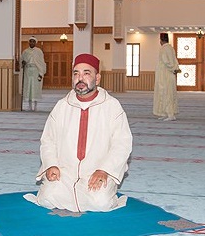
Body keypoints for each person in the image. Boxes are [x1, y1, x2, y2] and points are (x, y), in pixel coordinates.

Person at [24, 53, 133, 212]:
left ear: (97, 79)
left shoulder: (112, 106)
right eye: (76, 74)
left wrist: (105, 170)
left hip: (96, 171)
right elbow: (48, 140)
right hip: (65, 172)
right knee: (46, 199)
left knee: (100, 203)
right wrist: (51, 164)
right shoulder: (62, 106)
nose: (80, 78)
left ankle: (103, 190)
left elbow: (122, 144)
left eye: (86, 73)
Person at [153, 33, 179, 121]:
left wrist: (173, 68)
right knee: (168, 93)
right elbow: (174, 60)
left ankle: (170, 114)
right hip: (169, 75)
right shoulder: (171, 48)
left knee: (166, 93)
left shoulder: (164, 49)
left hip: (165, 75)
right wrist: (175, 69)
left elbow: (167, 62)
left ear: (161, 40)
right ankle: (166, 113)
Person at [20, 36, 46, 111]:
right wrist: (23, 63)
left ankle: (35, 106)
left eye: (33, 41)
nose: (31, 43)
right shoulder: (25, 51)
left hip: (36, 70)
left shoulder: (39, 51)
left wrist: (41, 73)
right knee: (28, 87)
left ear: (35, 42)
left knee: (35, 88)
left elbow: (41, 63)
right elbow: (22, 61)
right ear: (28, 42)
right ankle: (29, 105)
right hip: (28, 71)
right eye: (30, 41)